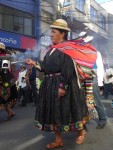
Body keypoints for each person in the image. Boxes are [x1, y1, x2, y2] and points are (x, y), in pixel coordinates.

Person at [25, 19, 96, 149]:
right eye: (51, 32)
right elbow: (46, 68)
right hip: (50, 85)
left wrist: (63, 86)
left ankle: (81, 132)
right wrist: (34, 64)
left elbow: (68, 69)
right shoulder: (51, 50)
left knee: (72, 109)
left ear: (62, 34)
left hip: (64, 84)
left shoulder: (67, 49)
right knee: (53, 112)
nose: (51, 35)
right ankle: (58, 140)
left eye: (54, 32)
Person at [0, 42, 17, 120]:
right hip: (5, 82)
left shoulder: (5, 58)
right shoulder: (6, 58)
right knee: (3, 100)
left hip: (4, 82)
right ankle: (10, 112)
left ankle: (10, 112)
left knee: (3, 99)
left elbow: (5, 71)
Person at [92, 51, 107, 128]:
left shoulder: (95, 52)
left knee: (96, 100)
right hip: (81, 78)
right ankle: (82, 123)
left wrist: (100, 83)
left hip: (93, 77)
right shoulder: (78, 51)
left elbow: (100, 67)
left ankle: (103, 119)